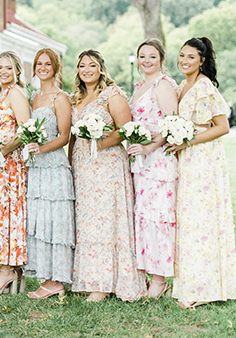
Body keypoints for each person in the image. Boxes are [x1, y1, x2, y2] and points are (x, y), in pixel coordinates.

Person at [69, 50, 146, 302]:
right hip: (83, 165)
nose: (86, 70)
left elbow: (125, 130)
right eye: (82, 66)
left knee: (106, 220)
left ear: (101, 68)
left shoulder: (112, 95)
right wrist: (71, 161)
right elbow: (73, 137)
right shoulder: (77, 98)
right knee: (88, 222)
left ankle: (105, 283)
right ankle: (90, 278)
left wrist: (100, 144)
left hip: (107, 164)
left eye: (92, 65)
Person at [168, 37, 236, 309]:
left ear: (202, 61)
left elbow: (222, 127)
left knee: (201, 223)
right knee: (188, 222)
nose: (184, 61)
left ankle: (203, 289)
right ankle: (188, 281)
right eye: (182, 55)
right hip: (185, 159)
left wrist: (188, 141)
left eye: (191, 57)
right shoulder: (181, 86)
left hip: (203, 160)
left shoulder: (204, 87)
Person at [126, 39, 178, 298]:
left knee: (158, 219)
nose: (146, 61)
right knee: (143, 218)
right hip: (140, 164)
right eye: (142, 56)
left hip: (158, 161)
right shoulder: (139, 87)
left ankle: (160, 279)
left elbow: (172, 125)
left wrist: (149, 147)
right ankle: (148, 274)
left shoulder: (164, 85)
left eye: (152, 57)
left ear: (161, 60)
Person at [24, 48, 74, 300]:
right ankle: (46, 276)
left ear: (55, 67)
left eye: (48, 64)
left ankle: (57, 280)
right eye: (38, 64)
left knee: (54, 222)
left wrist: (41, 148)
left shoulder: (60, 97)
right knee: (40, 221)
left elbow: (64, 136)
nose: (42, 68)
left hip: (53, 165)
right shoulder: (32, 97)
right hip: (35, 168)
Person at [0, 51, 30, 295]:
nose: (3, 71)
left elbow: (25, 131)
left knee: (9, 213)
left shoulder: (15, 93)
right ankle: (9, 267)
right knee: (0, 214)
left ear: (17, 71)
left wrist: (3, 150)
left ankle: (8, 269)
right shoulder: (0, 94)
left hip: (11, 165)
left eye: (8, 68)